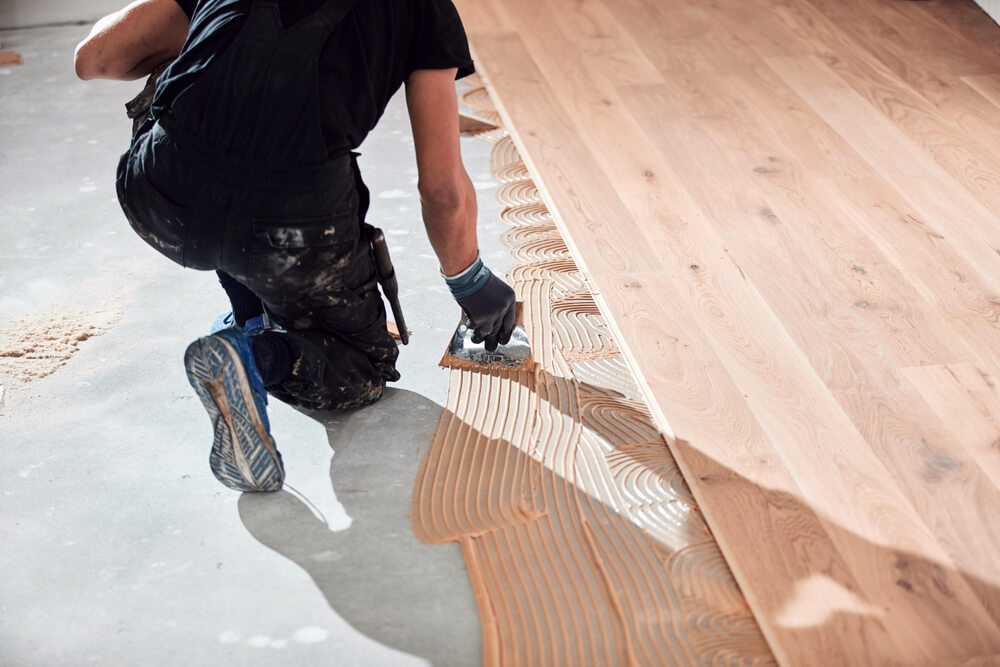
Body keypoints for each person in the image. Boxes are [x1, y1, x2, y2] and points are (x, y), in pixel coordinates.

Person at [74, 0, 517, 493]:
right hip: (288, 234)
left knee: (184, 75)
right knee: (363, 366)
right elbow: (441, 188)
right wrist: (468, 277)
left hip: (161, 201)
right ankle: (255, 355)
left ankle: (251, 312)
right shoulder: (424, 9)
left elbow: (94, 60)